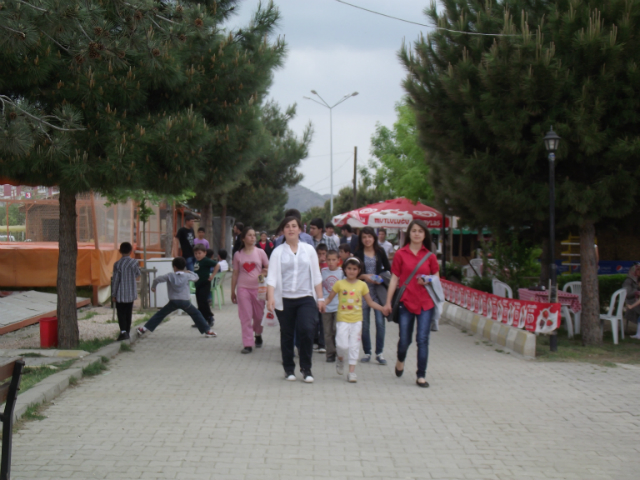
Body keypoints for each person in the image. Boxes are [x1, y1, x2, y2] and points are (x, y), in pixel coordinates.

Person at [267, 216, 325, 383]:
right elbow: (271, 278)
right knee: (287, 334)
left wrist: (320, 298)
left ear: (300, 230)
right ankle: (289, 368)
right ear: (282, 230)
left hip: (306, 297)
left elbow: (316, 275)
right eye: (287, 226)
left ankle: (306, 368)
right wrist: (270, 298)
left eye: (294, 226)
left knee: (307, 330)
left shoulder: (309, 250)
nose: (291, 229)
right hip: (284, 299)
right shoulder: (277, 252)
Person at [383, 220, 439, 388]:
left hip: (425, 303)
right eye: (413, 230)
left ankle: (421, 375)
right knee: (405, 340)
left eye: (420, 231)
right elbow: (394, 279)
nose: (416, 234)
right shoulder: (400, 254)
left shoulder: (430, 256)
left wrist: (428, 281)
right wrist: (388, 302)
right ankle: (401, 359)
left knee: (422, 339)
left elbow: (437, 280)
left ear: (425, 235)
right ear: (409, 233)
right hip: (405, 302)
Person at [326, 258, 385, 383]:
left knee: (354, 346)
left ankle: (352, 372)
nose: (351, 271)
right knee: (341, 344)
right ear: (344, 269)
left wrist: (382, 308)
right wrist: (321, 304)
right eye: (349, 268)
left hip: (357, 320)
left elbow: (370, 302)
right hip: (342, 320)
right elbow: (329, 298)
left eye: (354, 269)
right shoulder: (339, 284)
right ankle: (340, 358)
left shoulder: (362, 285)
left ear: (359, 271)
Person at [137, 257, 216, 338]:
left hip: (173, 301)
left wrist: (153, 287)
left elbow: (157, 279)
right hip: (185, 301)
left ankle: (143, 328)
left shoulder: (170, 276)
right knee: (196, 314)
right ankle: (208, 331)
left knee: (160, 314)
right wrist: (188, 272)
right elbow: (196, 277)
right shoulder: (187, 275)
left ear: (174, 267)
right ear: (184, 266)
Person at [355, 226, 391, 365]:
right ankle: (367, 352)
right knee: (364, 324)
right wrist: (364, 276)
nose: (367, 239)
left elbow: (388, 269)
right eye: (364, 237)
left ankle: (379, 353)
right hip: (363, 291)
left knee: (380, 323)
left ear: (374, 238)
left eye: (369, 236)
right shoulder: (358, 253)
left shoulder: (380, 251)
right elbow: (352, 272)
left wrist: (380, 278)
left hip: (378, 292)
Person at [231, 227, 269, 354]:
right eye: (250, 235)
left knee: (258, 316)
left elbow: (268, 267)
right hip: (243, 289)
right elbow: (235, 273)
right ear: (243, 238)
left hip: (258, 289)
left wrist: (264, 273)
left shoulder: (260, 252)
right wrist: (232, 291)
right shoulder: (238, 254)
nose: (253, 237)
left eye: (254, 235)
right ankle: (247, 343)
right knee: (245, 316)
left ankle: (258, 334)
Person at [111, 242, 141, 341]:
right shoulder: (134, 262)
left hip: (120, 292)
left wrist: (113, 294)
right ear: (131, 251)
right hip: (131, 292)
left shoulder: (117, 264)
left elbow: (115, 280)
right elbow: (137, 274)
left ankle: (123, 331)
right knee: (128, 312)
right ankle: (127, 331)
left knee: (121, 313)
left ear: (120, 251)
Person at [321, 250, 344, 362]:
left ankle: (339, 351)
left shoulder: (342, 273)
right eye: (328, 260)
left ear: (338, 261)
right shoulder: (323, 271)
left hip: (338, 306)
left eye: (333, 260)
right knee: (327, 332)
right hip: (326, 306)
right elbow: (319, 286)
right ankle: (330, 353)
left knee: (337, 330)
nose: (331, 262)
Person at [193, 244, 216, 329]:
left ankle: (210, 317)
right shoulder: (196, 262)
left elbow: (217, 265)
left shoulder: (206, 260)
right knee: (199, 302)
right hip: (198, 284)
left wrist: (212, 275)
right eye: (196, 253)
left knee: (204, 302)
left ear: (205, 253)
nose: (197, 255)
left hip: (205, 284)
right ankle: (201, 320)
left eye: (199, 253)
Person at [314, 244, 328, 353]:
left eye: (324, 254)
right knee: (315, 320)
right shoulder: (314, 264)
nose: (321, 256)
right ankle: (315, 340)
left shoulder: (329, 265)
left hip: (326, 297)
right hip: (314, 296)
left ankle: (322, 343)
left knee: (323, 321)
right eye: (319, 254)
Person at [623, 263, 640, 339]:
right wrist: (636, 291)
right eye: (638, 269)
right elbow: (627, 294)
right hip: (632, 301)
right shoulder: (628, 281)